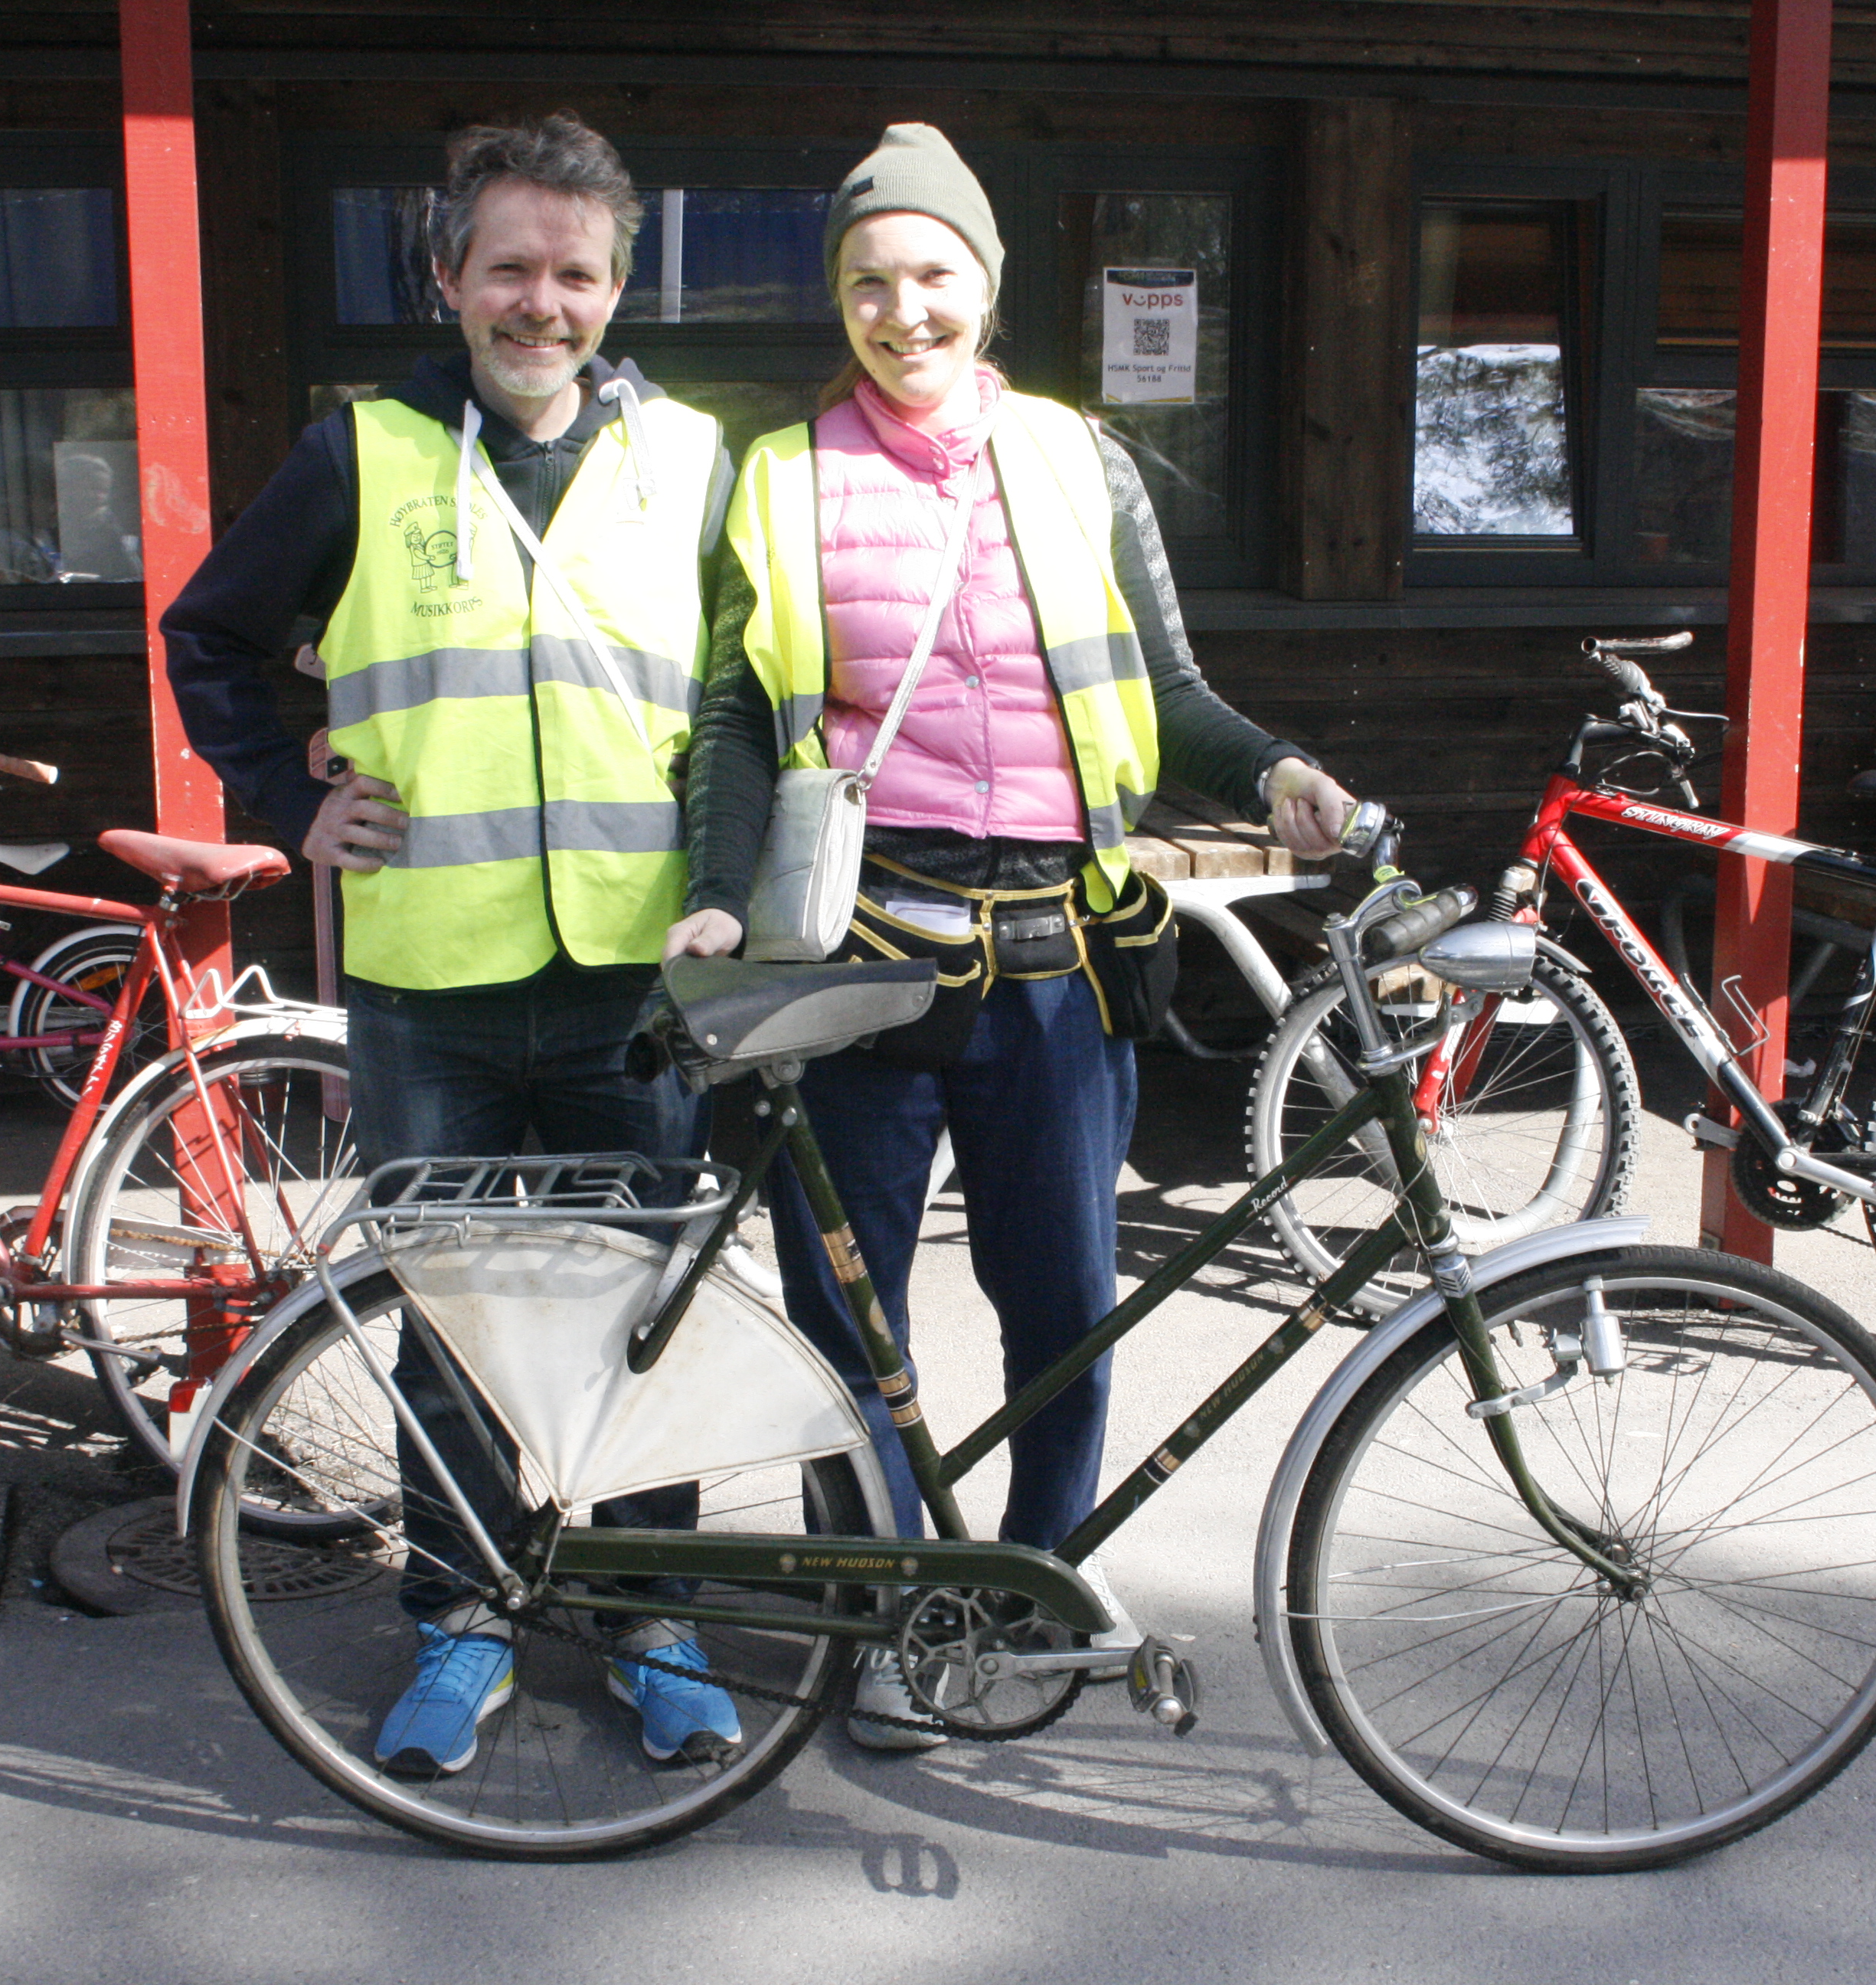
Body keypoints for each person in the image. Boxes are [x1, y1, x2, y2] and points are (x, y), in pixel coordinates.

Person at [665, 123, 1357, 1748]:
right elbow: (736, 721)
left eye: (932, 276)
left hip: (1057, 958)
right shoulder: (779, 476)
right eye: (868, 284)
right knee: (851, 1323)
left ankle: (1025, 1585)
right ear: (838, 300)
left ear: (985, 282)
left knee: (1065, 1303)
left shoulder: (1074, 461)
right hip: (867, 956)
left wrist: (1275, 768)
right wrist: (715, 882)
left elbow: (1166, 695)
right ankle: (898, 1602)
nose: (903, 312)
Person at [162, 114, 740, 1778]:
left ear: (616, 286)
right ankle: (464, 1617)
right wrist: (285, 794)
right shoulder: (364, 455)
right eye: (509, 269)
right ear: (448, 279)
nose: (539, 301)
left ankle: (652, 1614)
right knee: (451, 1318)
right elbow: (209, 633)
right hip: (433, 983)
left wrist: (722, 878)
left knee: (642, 1309)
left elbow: (735, 705)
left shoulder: (694, 461)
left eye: (573, 271)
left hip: (638, 987)